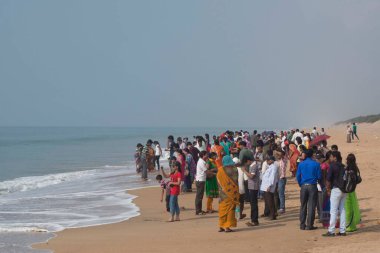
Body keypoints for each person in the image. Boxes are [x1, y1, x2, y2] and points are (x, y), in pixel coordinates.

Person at [296, 149, 321, 230]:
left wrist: (301, 184)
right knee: (311, 206)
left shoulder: (301, 164)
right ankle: (309, 225)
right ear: (312, 155)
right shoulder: (316, 164)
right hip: (312, 185)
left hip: (303, 186)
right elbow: (319, 176)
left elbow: (298, 176)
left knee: (303, 205)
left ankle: (302, 224)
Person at [323, 151, 347, 236]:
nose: (330, 158)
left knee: (333, 211)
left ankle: (331, 230)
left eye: (331, 157)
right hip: (344, 190)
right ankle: (343, 230)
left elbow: (328, 179)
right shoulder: (343, 166)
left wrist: (328, 189)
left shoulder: (332, 166)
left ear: (335, 157)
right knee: (342, 210)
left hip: (336, 189)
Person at [217, 155, 240, 232]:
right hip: (232, 193)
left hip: (222, 194)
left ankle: (221, 225)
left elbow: (218, 183)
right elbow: (236, 181)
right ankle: (227, 227)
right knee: (230, 210)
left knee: (222, 209)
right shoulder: (234, 169)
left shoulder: (220, 170)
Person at [345, 153, 361, 232]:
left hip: (348, 191)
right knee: (352, 208)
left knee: (348, 208)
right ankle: (352, 226)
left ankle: (349, 226)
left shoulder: (348, 169)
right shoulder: (355, 168)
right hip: (353, 191)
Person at [241, 158, 261, 226]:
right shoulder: (252, 166)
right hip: (252, 187)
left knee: (253, 204)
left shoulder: (254, 166)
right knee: (253, 204)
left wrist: (244, 171)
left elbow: (252, 176)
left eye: (246, 162)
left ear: (249, 160)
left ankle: (254, 220)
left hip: (254, 187)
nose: (246, 164)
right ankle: (254, 220)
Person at [260, 156, 279, 220]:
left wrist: (269, 186)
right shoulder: (270, 167)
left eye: (268, 160)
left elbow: (272, 177)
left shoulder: (273, 167)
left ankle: (272, 215)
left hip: (268, 187)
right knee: (268, 201)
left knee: (270, 201)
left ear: (271, 160)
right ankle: (271, 214)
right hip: (265, 186)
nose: (267, 161)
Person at [195, 151, 208, 215]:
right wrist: (215, 174)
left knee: (200, 196)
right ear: (203, 155)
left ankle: (199, 210)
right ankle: (198, 211)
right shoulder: (201, 162)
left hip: (200, 180)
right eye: (206, 155)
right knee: (199, 197)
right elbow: (206, 171)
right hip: (200, 181)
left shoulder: (202, 161)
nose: (207, 156)